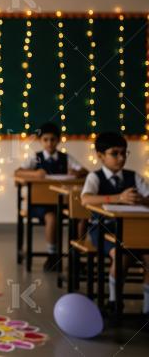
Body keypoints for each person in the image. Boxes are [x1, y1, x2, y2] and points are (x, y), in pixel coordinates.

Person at [81, 131, 149, 314]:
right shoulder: (94, 178)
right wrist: (118, 197)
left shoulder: (134, 177)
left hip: (135, 230)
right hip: (104, 230)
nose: (120, 158)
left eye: (123, 153)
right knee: (121, 256)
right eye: (114, 153)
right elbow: (86, 200)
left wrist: (140, 200)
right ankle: (114, 301)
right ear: (100, 156)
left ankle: (147, 308)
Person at [15, 122, 87, 271]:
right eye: (45, 139)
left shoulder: (65, 157)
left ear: (58, 140)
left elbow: (85, 171)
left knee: (81, 217)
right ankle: (52, 255)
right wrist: (34, 173)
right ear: (40, 141)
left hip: (63, 203)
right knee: (51, 218)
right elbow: (18, 172)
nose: (49, 143)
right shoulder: (36, 157)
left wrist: (77, 173)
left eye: (53, 139)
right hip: (40, 204)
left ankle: (76, 256)